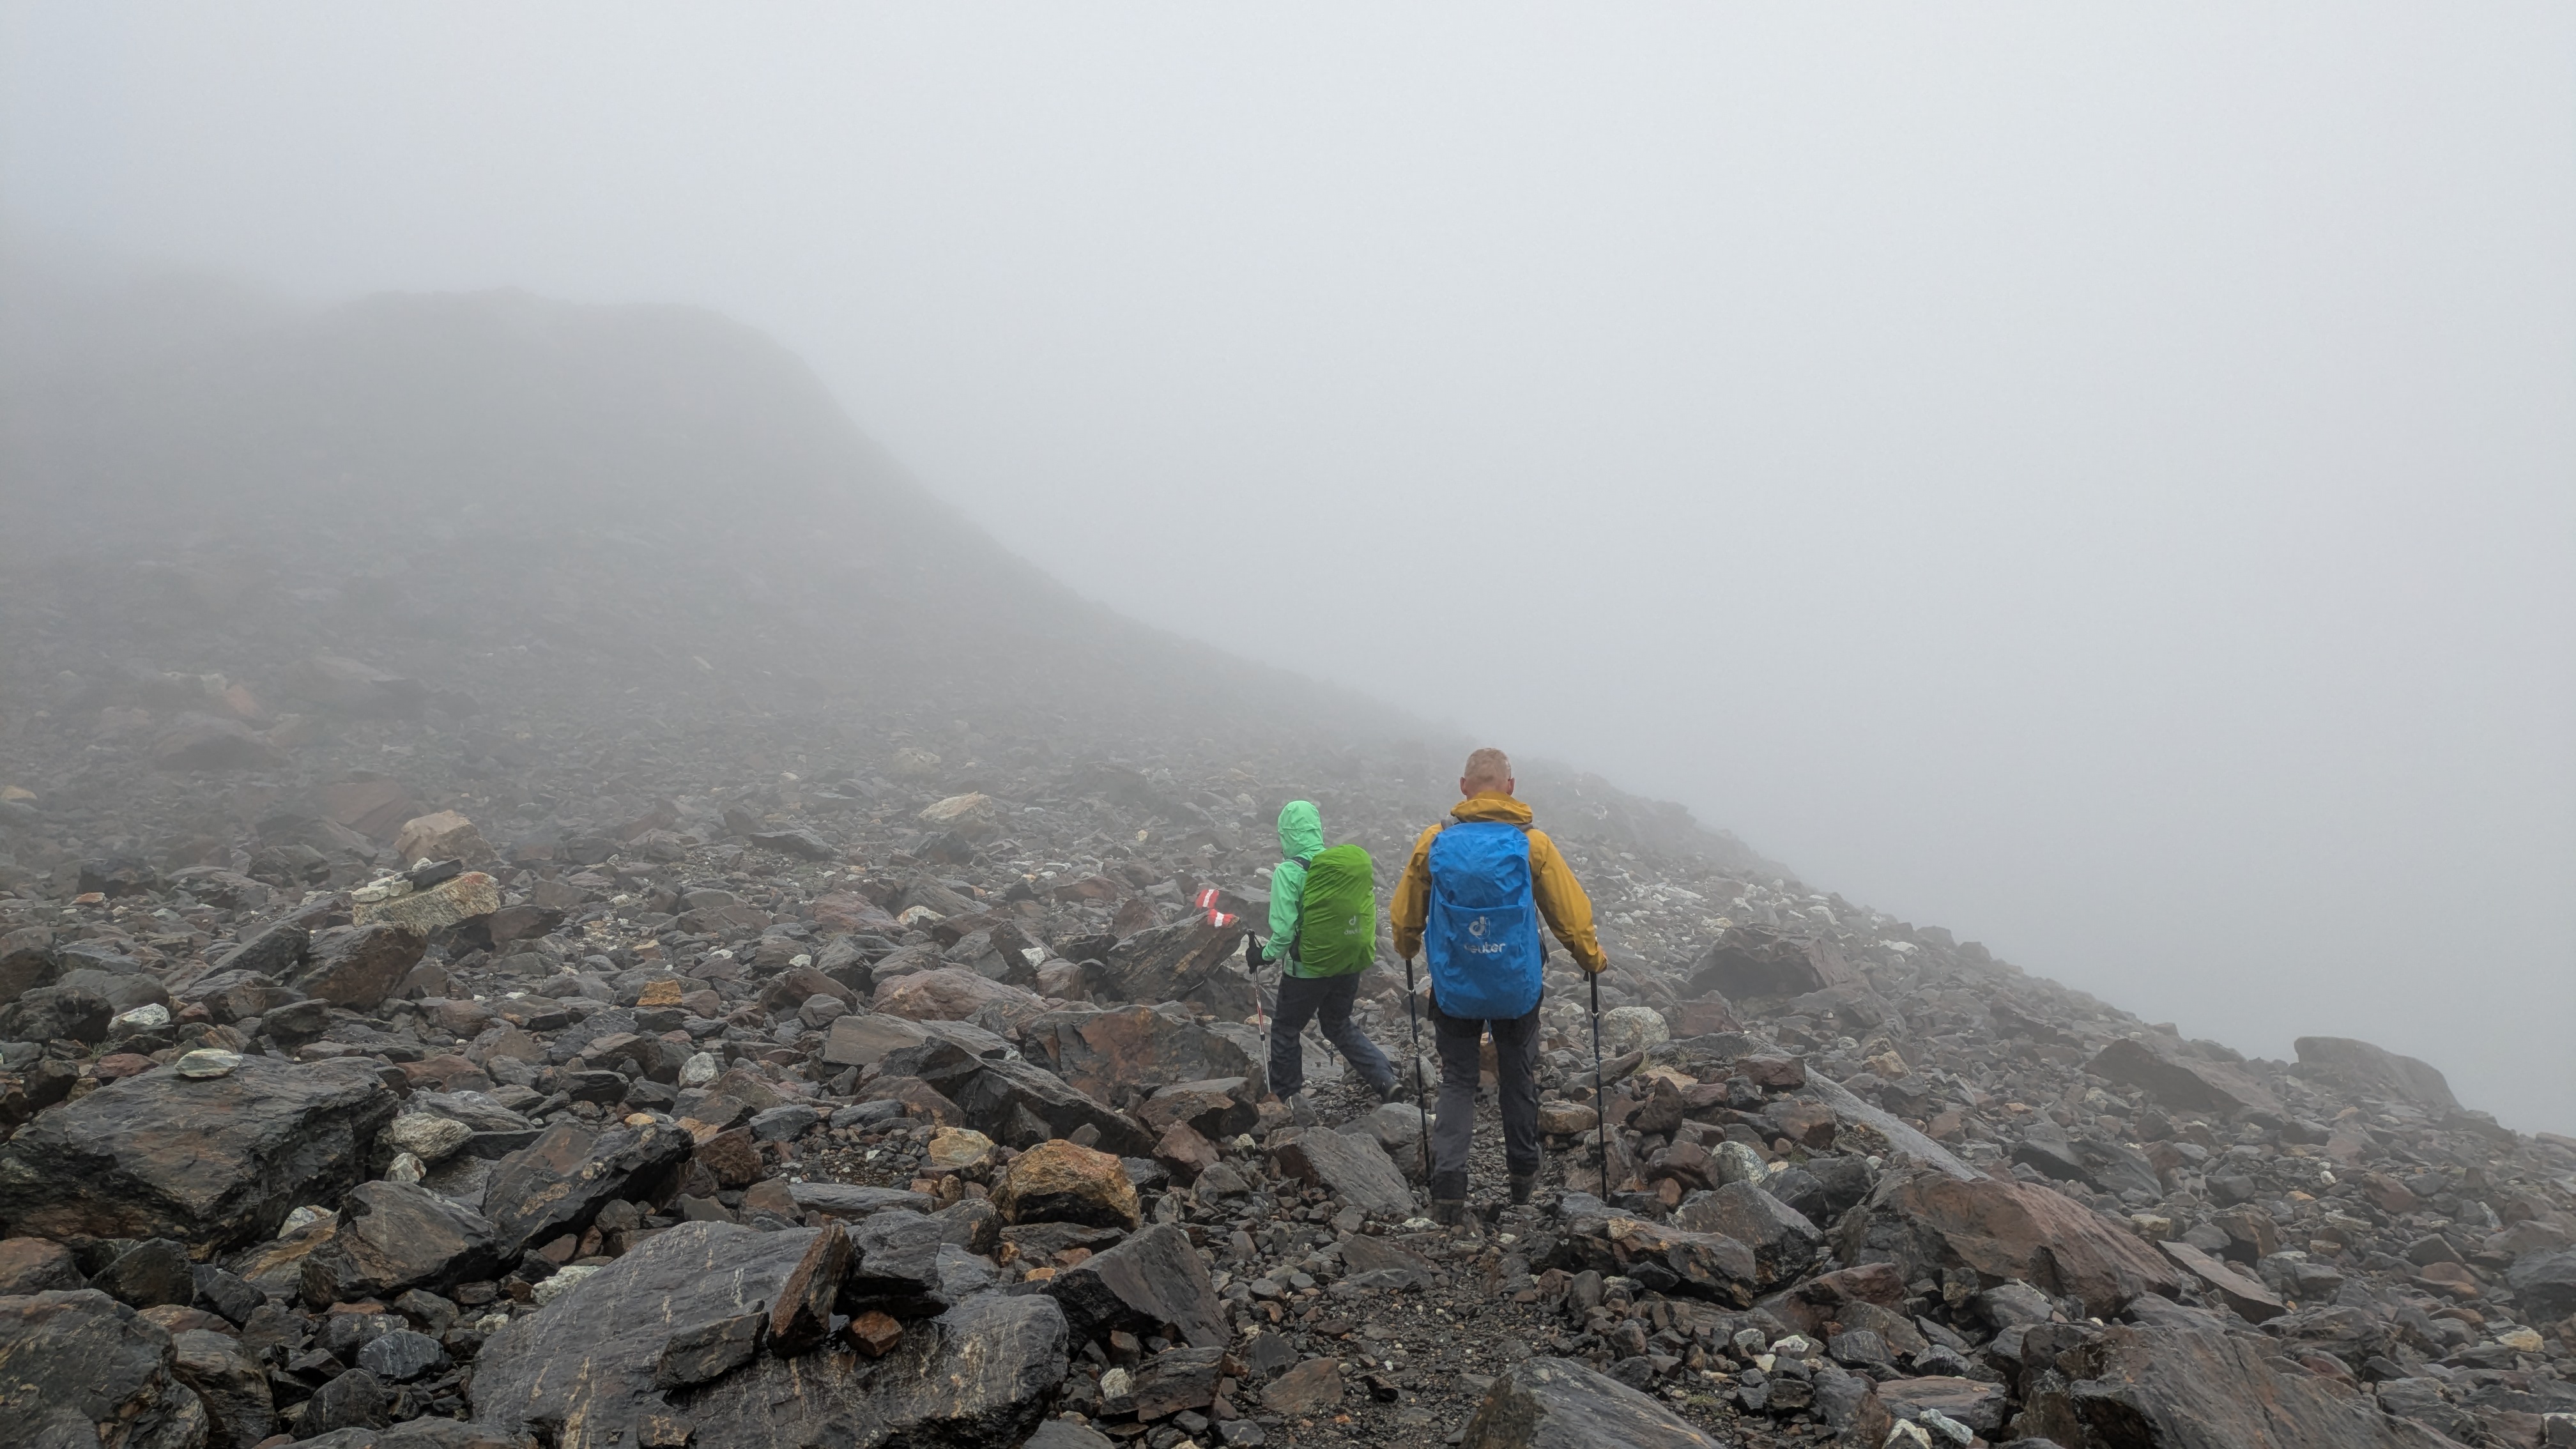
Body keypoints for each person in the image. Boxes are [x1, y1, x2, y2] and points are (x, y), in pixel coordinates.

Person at [1392, 747, 1606, 1223]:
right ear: (1510, 787)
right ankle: (1523, 1180)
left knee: (1457, 1079)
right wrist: (1592, 959)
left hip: (1455, 985)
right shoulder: (1533, 844)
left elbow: (1406, 912)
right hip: (1515, 987)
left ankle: (1449, 1190)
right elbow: (1570, 915)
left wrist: (1406, 947)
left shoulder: (1435, 839)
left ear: (1464, 787)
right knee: (1517, 1075)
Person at [1257, 800, 1397, 1117]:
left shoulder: (1289, 872)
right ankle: (1385, 1079)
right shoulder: (1339, 869)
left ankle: (1289, 1100)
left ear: (1286, 834)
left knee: (1286, 1029)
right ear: (1317, 830)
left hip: (1307, 971)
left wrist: (1262, 956)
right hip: (1347, 964)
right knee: (1337, 1024)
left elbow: (1284, 933)